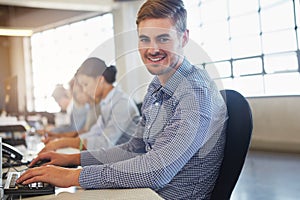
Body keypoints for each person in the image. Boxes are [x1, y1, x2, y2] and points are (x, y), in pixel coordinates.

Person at [17, 0, 228, 199]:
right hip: (147, 190)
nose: (152, 49)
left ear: (183, 38)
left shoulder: (196, 94)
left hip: (163, 195)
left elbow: (157, 171)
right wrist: (74, 159)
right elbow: (134, 148)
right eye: (145, 39)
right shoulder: (157, 87)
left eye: (163, 38)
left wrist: (72, 176)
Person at [39, 58, 140, 152]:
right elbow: (94, 133)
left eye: (86, 84)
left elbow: (105, 143)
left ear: (100, 80)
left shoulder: (122, 103)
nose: (85, 91)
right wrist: (61, 140)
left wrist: (62, 143)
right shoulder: (106, 103)